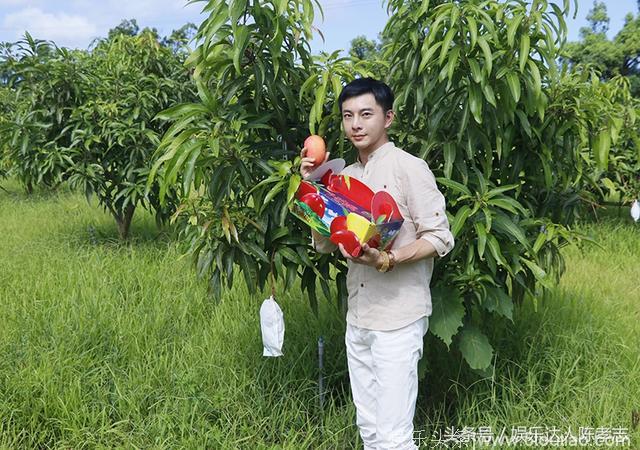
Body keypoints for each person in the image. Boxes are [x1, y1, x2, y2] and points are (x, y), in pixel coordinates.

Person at [299, 77, 454, 450]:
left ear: (388, 118)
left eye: (366, 114)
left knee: (394, 436)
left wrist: (389, 258)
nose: (356, 124)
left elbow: (440, 236)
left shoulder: (409, 168)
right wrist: (315, 189)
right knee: (369, 428)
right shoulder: (344, 178)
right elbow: (324, 244)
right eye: (348, 116)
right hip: (360, 315)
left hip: (399, 318)